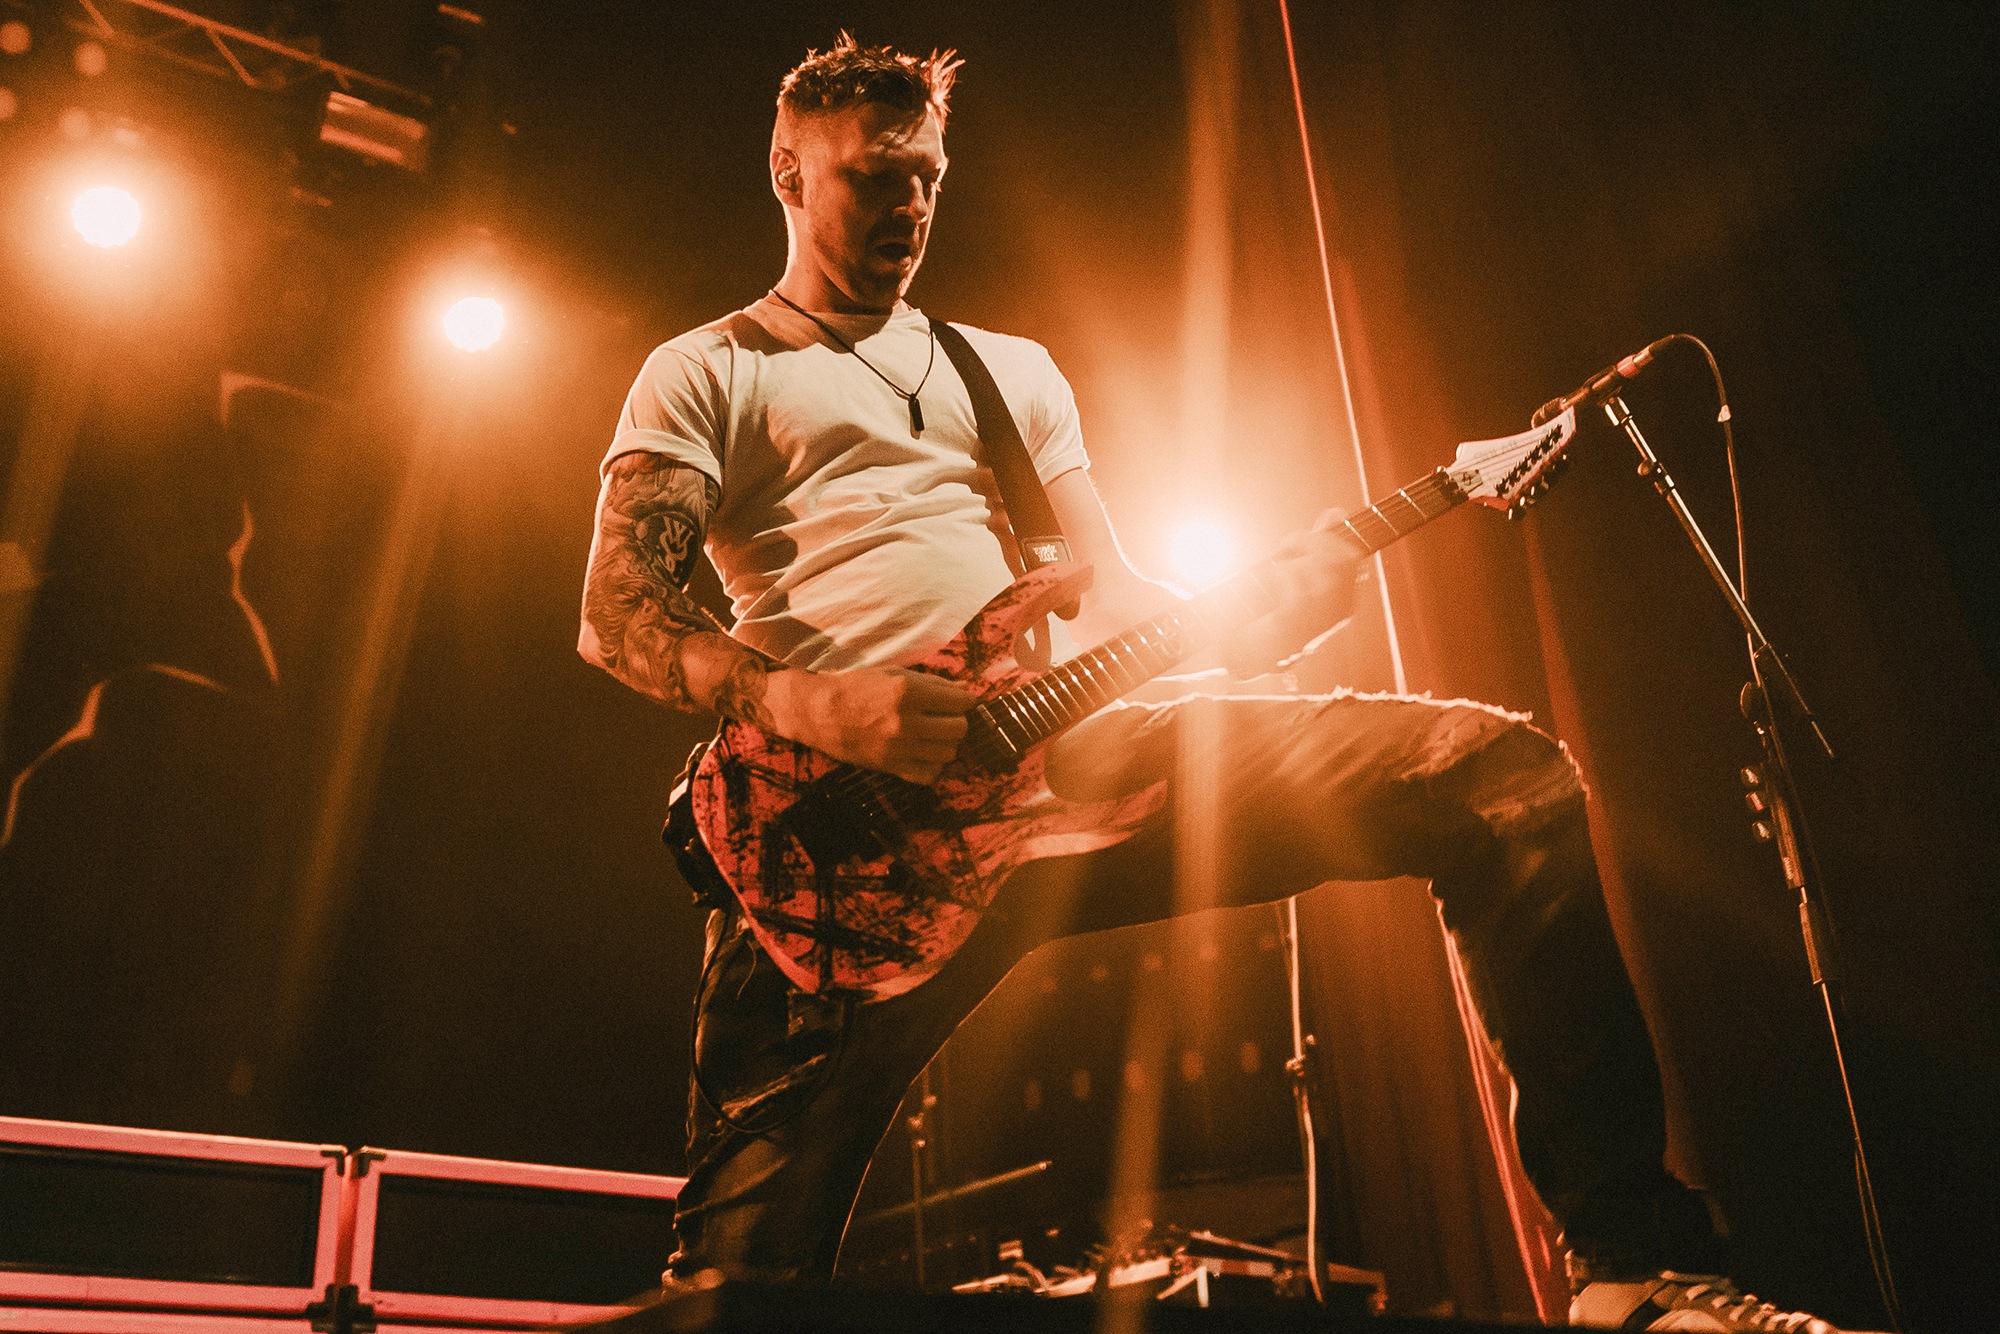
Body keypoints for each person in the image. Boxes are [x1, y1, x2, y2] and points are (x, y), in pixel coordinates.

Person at [578, 35, 1844, 1334]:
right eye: (871, 176)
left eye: (927, 178)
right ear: (788, 171)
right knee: (731, 1294)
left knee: (1497, 778)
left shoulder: (1008, 373)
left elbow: (1114, 600)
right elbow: (619, 614)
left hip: (1072, 768)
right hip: (834, 842)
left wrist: (1265, 622)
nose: (906, 205)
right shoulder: (710, 369)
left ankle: (1630, 1267)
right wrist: (813, 703)